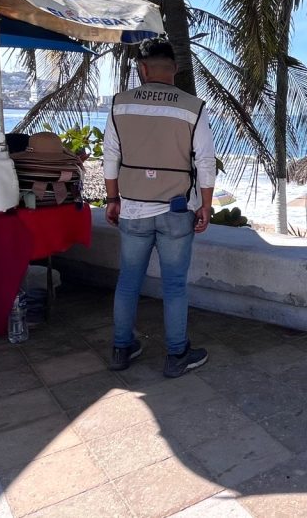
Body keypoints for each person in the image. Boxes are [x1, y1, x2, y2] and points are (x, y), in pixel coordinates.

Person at [103, 37, 216, 378]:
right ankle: (177, 354)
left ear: (143, 68)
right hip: (176, 209)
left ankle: (122, 349)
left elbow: (110, 157)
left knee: (128, 282)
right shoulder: (192, 107)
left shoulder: (119, 104)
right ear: (176, 70)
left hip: (133, 208)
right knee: (175, 286)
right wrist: (206, 207)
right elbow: (206, 162)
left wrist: (112, 199)